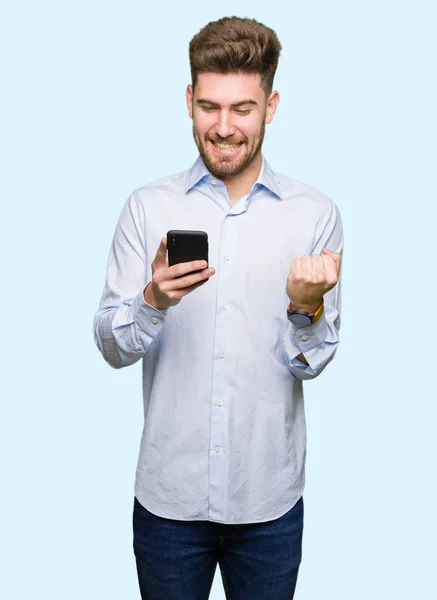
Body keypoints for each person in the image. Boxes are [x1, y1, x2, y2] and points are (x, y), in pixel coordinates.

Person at [93, 15, 343, 600]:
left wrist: (304, 310)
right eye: (209, 106)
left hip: (268, 504)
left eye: (243, 108)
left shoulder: (315, 215)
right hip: (169, 503)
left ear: (272, 105)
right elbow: (110, 346)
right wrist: (153, 299)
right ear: (188, 100)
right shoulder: (146, 208)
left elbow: (313, 363)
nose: (224, 127)